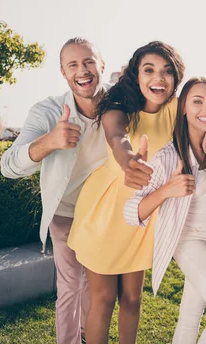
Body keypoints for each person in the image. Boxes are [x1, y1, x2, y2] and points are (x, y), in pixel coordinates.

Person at [67, 41, 184, 344]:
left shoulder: (176, 109)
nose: (158, 78)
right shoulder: (118, 108)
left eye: (166, 71)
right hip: (104, 216)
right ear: (136, 74)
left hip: (140, 217)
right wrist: (129, 160)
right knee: (103, 301)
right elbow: (117, 137)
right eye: (149, 70)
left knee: (132, 299)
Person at [0, 37, 106, 344]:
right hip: (65, 212)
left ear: (101, 65)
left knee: (96, 289)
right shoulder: (47, 111)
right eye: (73, 65)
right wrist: (50, 141)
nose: (82, 71)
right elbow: (8, 165)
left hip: (103, 215)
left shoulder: (120, 103)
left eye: (88, 62)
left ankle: (88, 338)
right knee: (71, 286)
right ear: (63, 72)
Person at [123, 78, 206, 343]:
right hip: (188, 241)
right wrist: (167, 190)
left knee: (191, 316)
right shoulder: (169, 156)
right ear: (184, 108)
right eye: (197, 102)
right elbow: (131, 211)